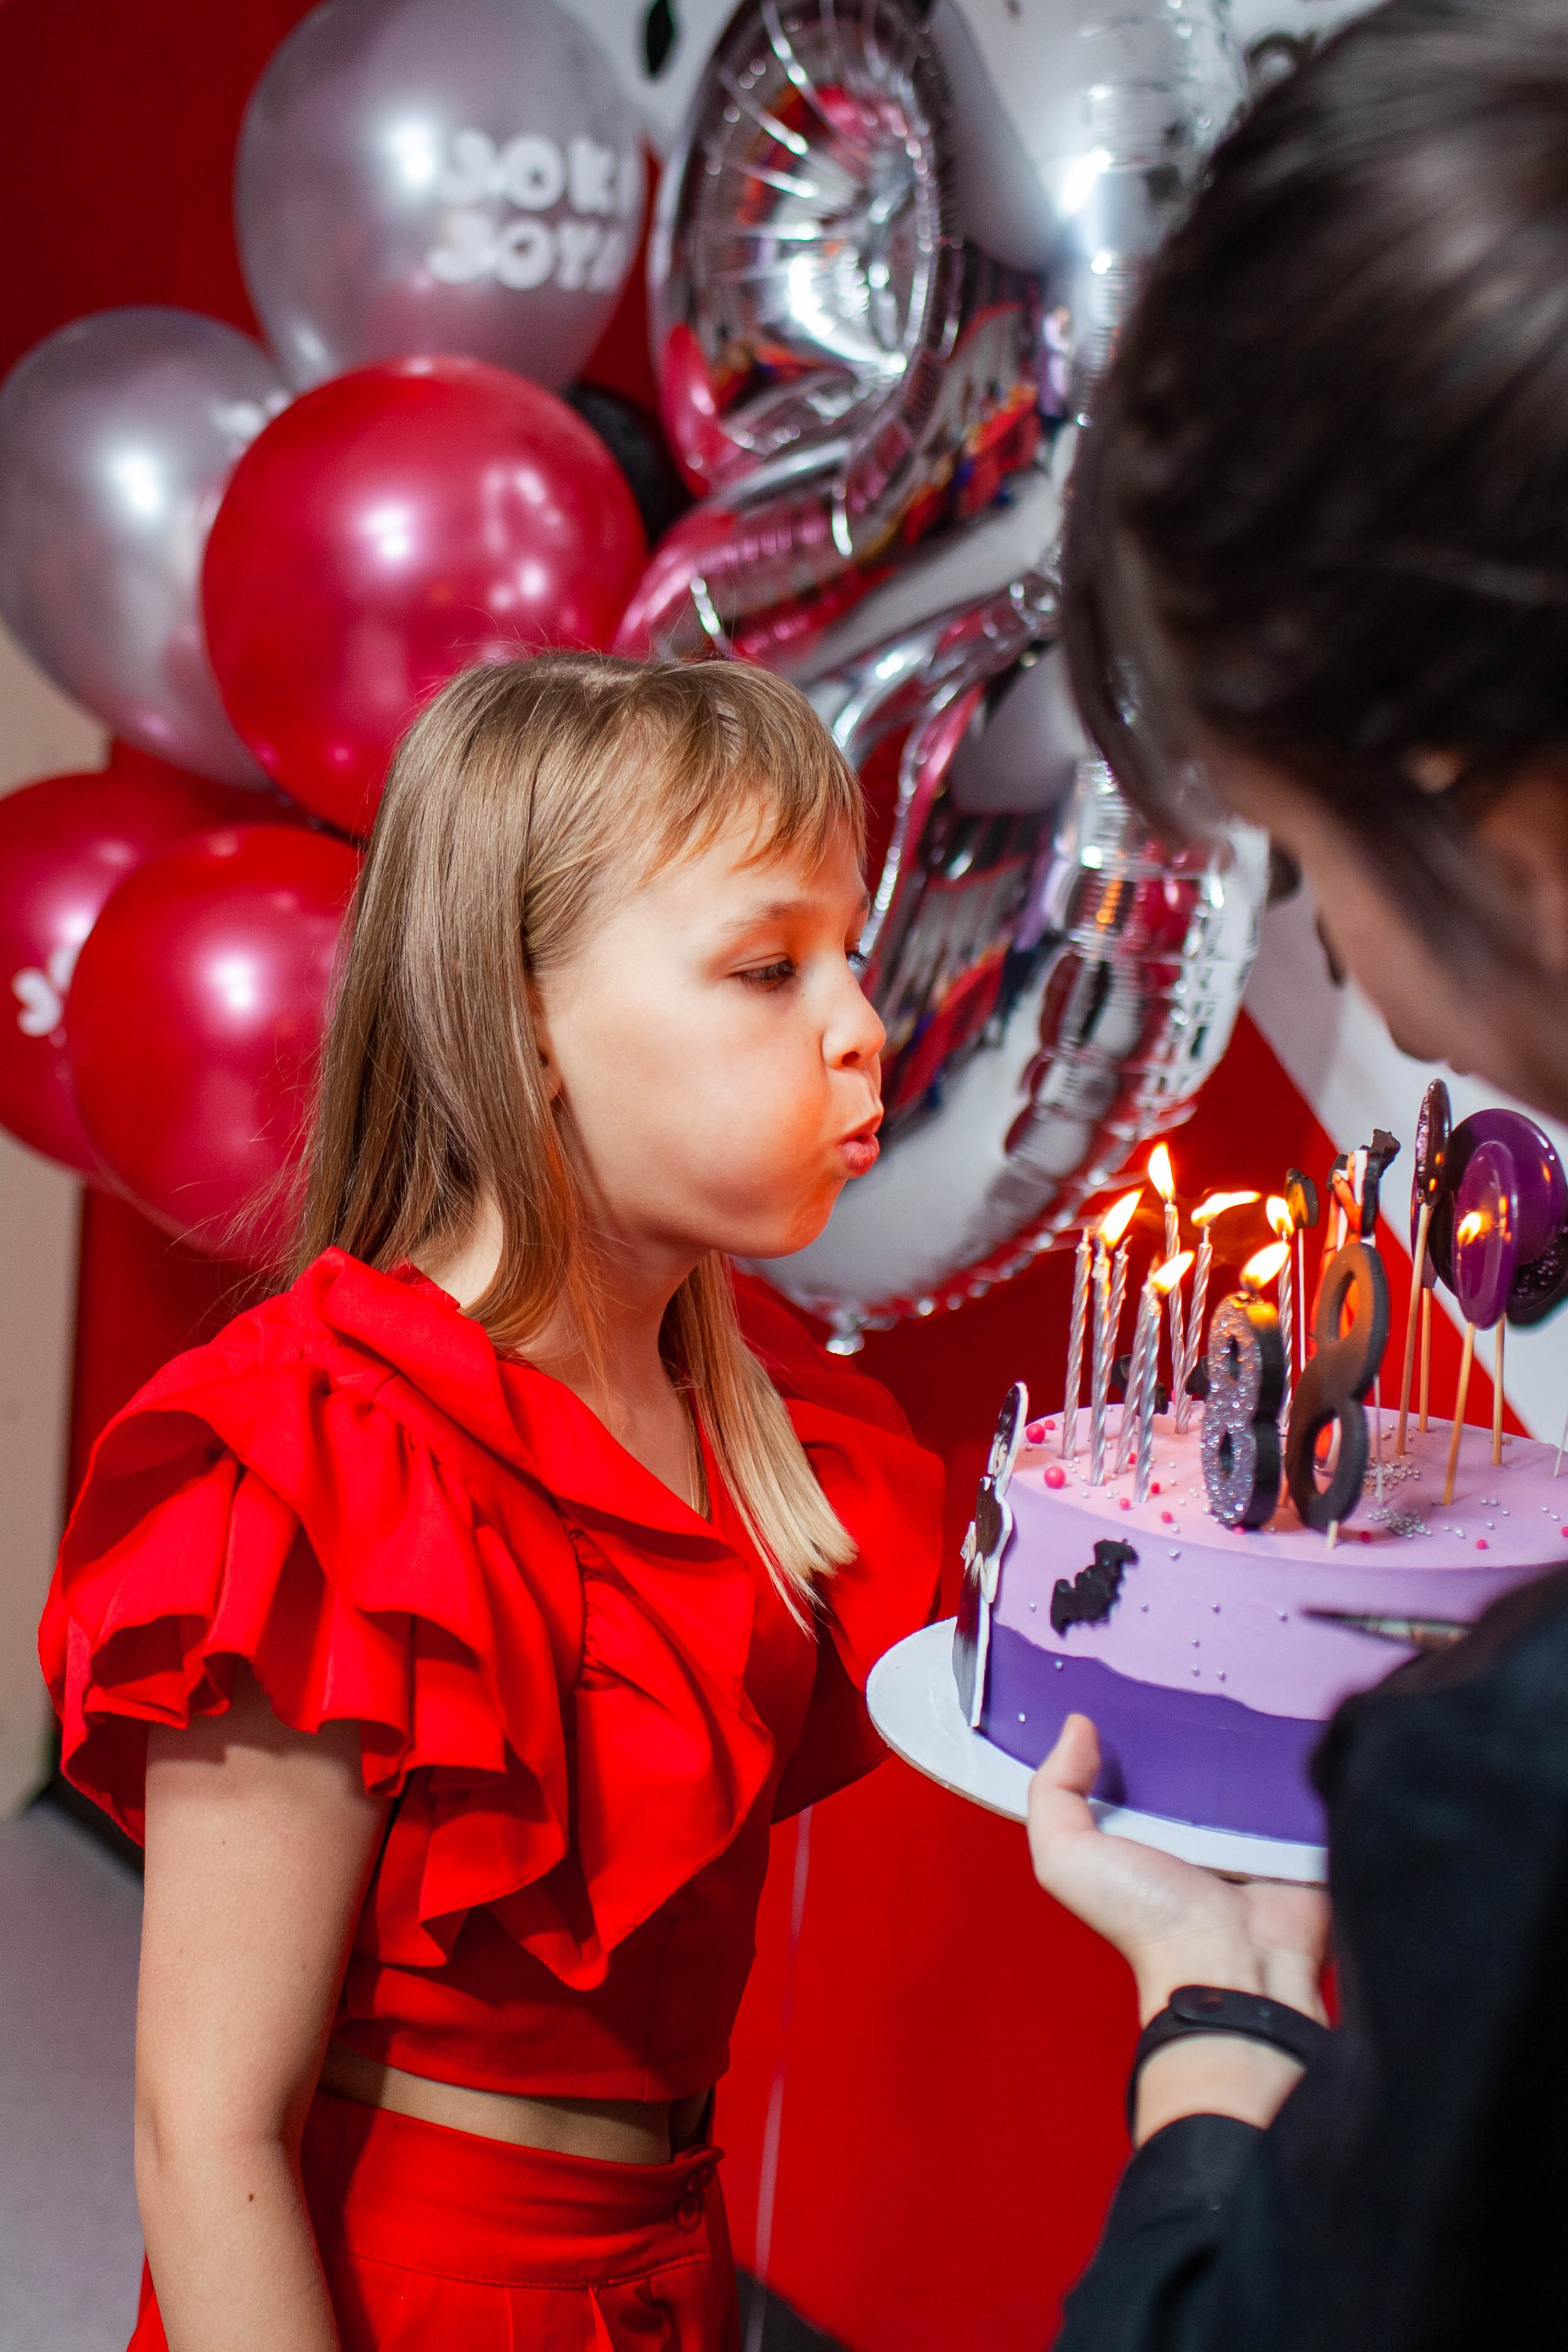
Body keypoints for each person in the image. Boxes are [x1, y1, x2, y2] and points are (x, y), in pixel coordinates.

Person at [40, 655, 942, 2352]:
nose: (862, 1025)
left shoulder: (768, 1423)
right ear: (524, 1020)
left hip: (673, 2268)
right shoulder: (319, 1470)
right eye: (768, 967)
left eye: (851, 954)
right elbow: (203, 2132)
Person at [1025, 3, 1568, 2344]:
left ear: (1500, 813)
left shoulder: (1519, 1806)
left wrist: (1218, 2053)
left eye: (1308, 841)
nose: (1328, 940)